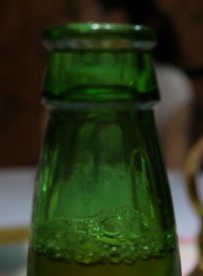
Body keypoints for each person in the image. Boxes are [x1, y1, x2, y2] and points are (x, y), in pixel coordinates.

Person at [68, 0, 194, 170]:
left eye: (76, 13)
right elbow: (57, 154)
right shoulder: (69, 77)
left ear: (115, 20)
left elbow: (174, 165)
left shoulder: (171, 84)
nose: (69, 23)